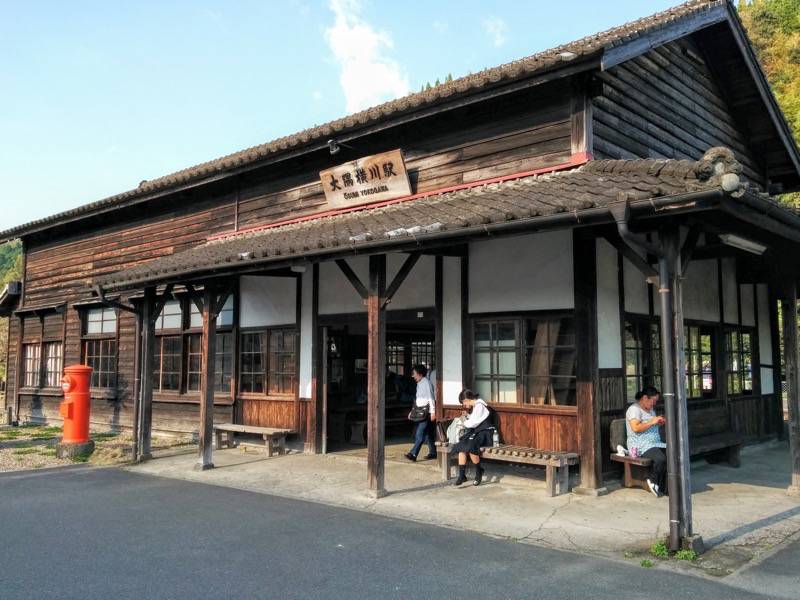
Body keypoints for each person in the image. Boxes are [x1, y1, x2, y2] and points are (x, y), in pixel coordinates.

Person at [626, 386, 667, 497]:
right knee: (660, 458)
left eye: (655, 401)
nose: (654, 403)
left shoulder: (651, 409)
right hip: (640, 444)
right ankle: (653, 481)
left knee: (672, 453)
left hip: (655, 442)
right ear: (645, 398)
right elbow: (635, 428)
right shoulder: (634, 409)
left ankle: (664, 487)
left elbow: (650, 424)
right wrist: (652, 422)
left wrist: (658, 422)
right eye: (653, 400)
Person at [450, 389, 494, 486]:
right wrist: (468, 416)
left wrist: (463, 423)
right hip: (478, 431)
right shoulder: (476, 406)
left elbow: (473, 423)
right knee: (462, 446)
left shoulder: (479, 405)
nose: (464, 406)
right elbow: (476, 419)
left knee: (471, 446)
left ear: (466, 400)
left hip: (485, 432)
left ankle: (479, 471)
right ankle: (462, 476)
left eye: (463, 403)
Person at [405, 364, 437, 461]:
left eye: (414, 374)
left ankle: (413, 454)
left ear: (419, 374)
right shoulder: (419, 383)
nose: (413, 376)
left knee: (420, 433)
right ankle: (433, 452)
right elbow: (418, 400)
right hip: (420, 411)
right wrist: (412, 411)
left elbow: (431, 398)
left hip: (425, 412)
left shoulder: (426, 383)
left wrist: (433, 412)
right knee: (428, 433)